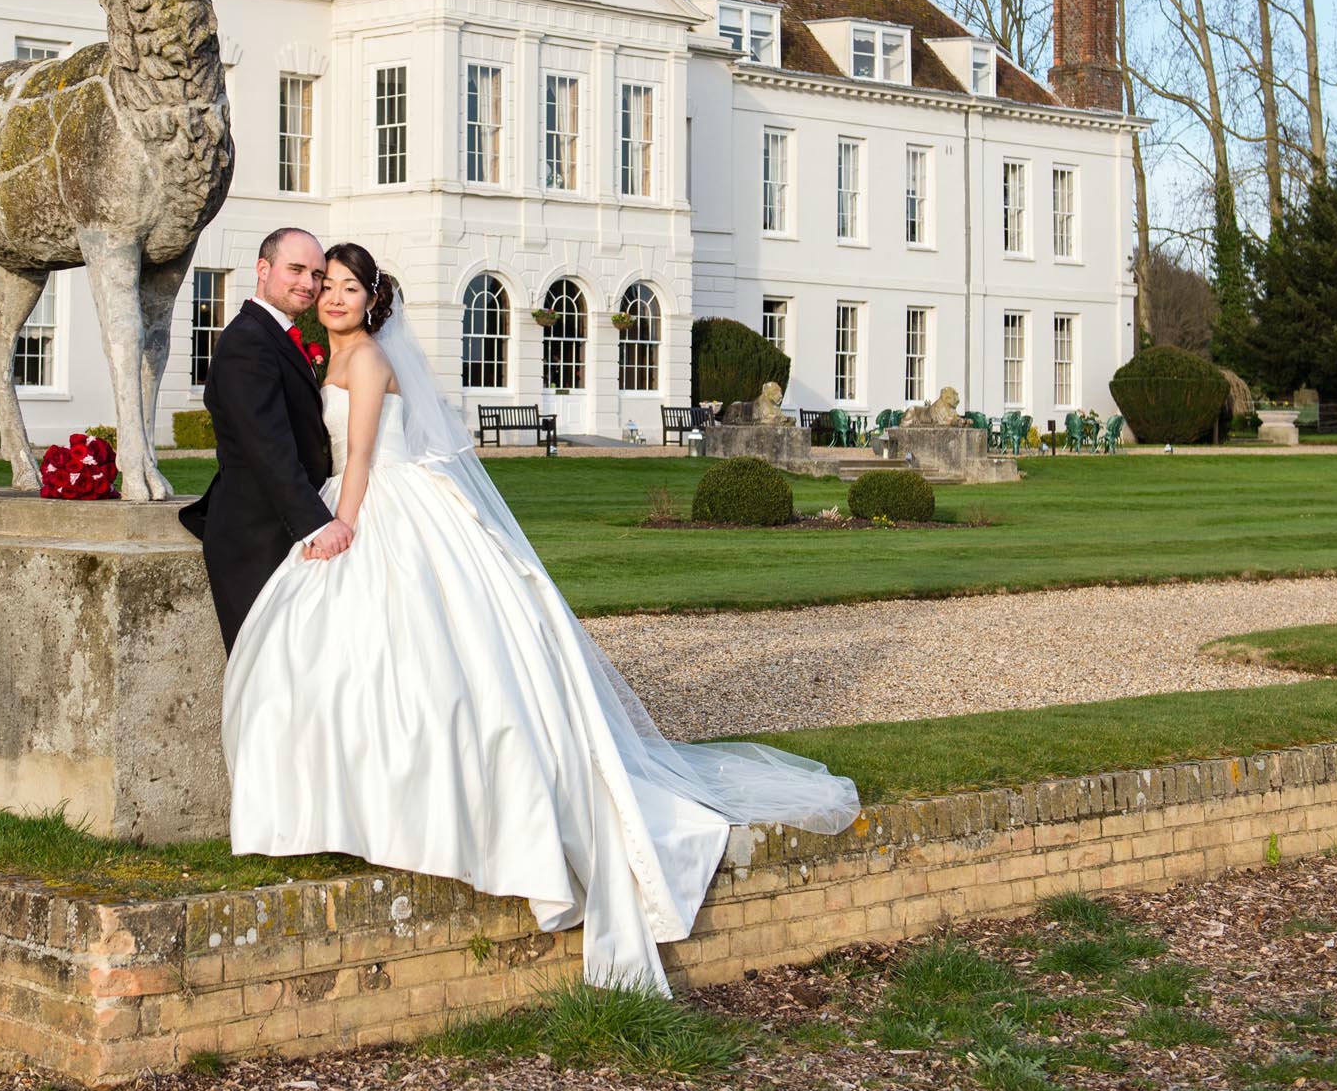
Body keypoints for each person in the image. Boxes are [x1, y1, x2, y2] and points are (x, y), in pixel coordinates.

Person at [220, 240, 860, 993]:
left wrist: (343, 528)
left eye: (347, 287)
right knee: (350, 665)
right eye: (324, 284)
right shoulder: (318, 356)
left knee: (412, 665)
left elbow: (357, 458)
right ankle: (344, 808)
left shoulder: (363, 362)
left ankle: (406, 812)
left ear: (372, 300)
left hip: (377, 508)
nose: (331, 296)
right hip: (358, 505)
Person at [176, 227, 351, 651]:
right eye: (295, 270)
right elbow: (267, 446)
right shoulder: (247, 342)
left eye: (316, 274)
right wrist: (316, 524)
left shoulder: (276, 335)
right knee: (264, 665)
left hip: (279, 527)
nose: (307, 284)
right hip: (254, 535)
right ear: (262, 268)